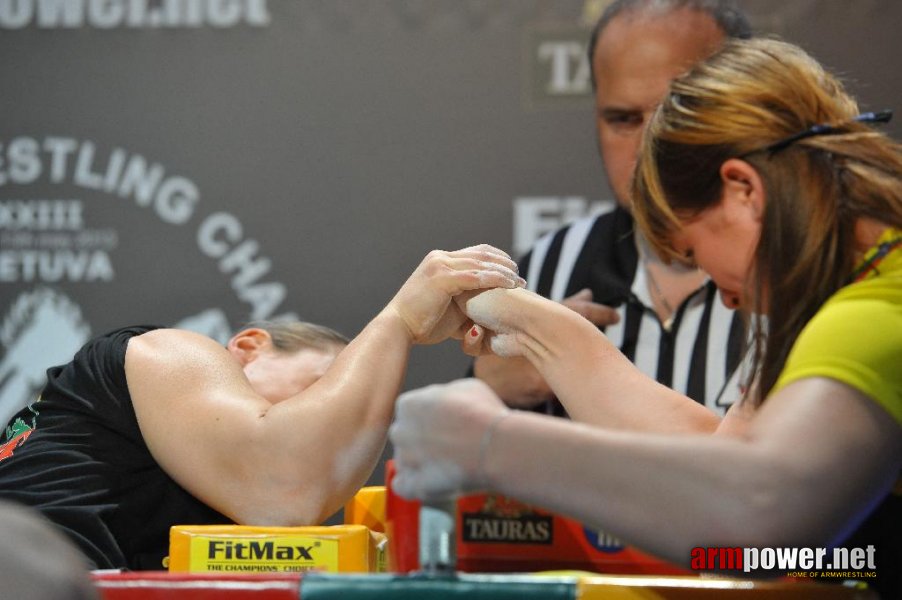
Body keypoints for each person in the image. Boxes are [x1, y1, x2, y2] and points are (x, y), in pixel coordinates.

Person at [390, 39, 901, 597]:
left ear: (744, 191)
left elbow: (753, 522)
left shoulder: (875, 312)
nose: (730, 301)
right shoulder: (858, 294)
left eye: (690, 248)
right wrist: (540, 329)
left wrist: (492, 446)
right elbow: (721, 466)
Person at [0, 244, 524, 571]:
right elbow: (286, 482)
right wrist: (401, 322)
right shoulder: (163, 352)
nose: (326, 420)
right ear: (249, 346)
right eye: (321, 387)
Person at [475, 0, 753, 417]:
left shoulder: (800, 273)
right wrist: (485, 387)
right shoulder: (547, 271)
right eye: (623, 119)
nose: (648, 146)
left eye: (678, 111)